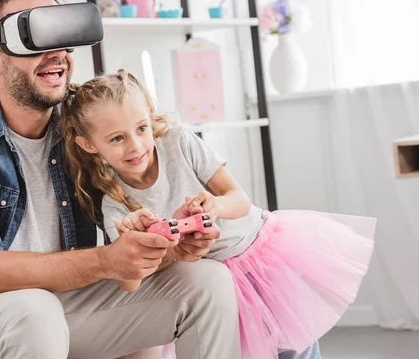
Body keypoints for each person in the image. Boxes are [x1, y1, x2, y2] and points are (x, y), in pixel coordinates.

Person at [0, 0, 244, 359]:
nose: (56, 53)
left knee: (206, 281)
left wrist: (166, 245)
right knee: (35, 311)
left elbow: (127, 226)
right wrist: (107, 261)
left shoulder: (86, 127)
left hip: (61, 307)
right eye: (33, 37)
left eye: (62, 33)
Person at [60, 69, 377, 359]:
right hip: (218, 283)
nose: (135, 145)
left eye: (141, 128)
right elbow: (130, 285)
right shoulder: (115, 203)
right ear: (89, 144)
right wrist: (140, 246)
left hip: (257, 259)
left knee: (296, 349)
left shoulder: (177, 141)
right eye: (117, 138)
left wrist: (215, 206)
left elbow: (239, 199)